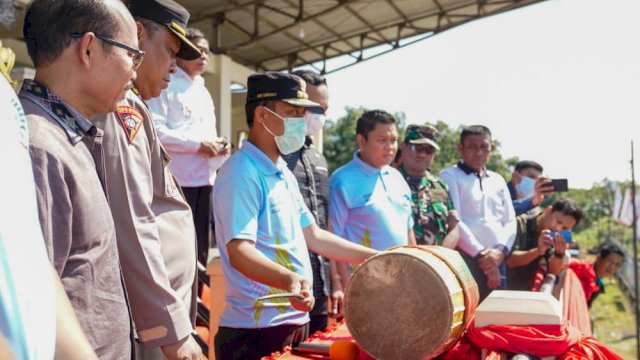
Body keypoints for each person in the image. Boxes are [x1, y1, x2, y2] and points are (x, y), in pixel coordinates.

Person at [212, 71, 377, 359]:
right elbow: (239, 251)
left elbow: (314, 236)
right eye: (292, 113)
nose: (302, 123)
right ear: (263, 116)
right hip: (255, 330)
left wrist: (375, 257)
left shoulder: (282, 173)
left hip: (292, 319)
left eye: (303, 114)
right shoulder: (241, 172)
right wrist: (288, 280)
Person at [19, 0, 138, 357]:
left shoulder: (62, 136)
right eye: (132, 54)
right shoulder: (39, 148)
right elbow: (32, 306)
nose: (134, 70)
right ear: (88, 48)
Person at [90, 0, 204, 358]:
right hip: (147, 325)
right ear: (137, 35)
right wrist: (171, 333)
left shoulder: (134, 107)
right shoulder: (122, 110)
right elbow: (132, 223)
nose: (174, 66)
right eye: (169, 51)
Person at [0, 45, 96, 360]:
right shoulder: (41, 136)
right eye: (131, 54)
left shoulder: (6, 99)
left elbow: (29, 251)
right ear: (89, 49)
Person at [148, 27, 229, 266]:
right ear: (181, 52)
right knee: (176, 249)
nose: (204, 56)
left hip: (205, 179)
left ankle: (197, 300)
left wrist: (218, 147)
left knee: (201, 247)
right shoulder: (167, 84)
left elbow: (208, 134)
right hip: (178, 181)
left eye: (207, 52)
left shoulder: (203, 91)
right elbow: (156, 131)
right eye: (197, 50)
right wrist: (197, 145)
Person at [329, 110, 415, 289]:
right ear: (361, 141)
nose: (390, 147)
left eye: (393, 140)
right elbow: (332, 238)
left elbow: (409, 233)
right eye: (382, 140)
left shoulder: (397, 178)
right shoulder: (342, 180)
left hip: (402, 282)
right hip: (364, 285)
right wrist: (340, 285)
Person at [280, 69, 333, 333]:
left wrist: (335, 280)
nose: (320, 115)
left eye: (324, 109)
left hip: (321, 284)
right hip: (288, 286)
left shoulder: (318, 159)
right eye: (314, 107)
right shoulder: (276, 158)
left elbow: (325, 223)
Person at [439, 125, 517, 301]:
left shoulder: (497, 179)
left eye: (484, 147)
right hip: (467, 260)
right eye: (472, 146)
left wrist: (501, 252)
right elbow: (456, 221)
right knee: (468, 318)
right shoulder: (450, 176)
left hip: (498, 260)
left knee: (498, 318)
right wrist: (483, 257)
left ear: (491, 148)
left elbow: (510, 220)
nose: (478, 152)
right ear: (461, 148)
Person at [398, 124, 461, 248]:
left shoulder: (440, 186)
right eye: (418, 148)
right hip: (397, 261)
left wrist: (438, 256)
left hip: (433, 263)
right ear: (403, 147)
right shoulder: (388, 181)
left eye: (429, 150)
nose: (423, 155)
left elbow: (455, 227)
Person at [506, 198, 584, 290]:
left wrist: (559, 253)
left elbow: (552, 272)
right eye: (558, 222)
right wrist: (538, 251)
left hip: (524, 292)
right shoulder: (519, 223)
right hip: (501, 290)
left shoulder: (552, 236)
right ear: (548, 211)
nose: (558, 229)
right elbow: (510, 261)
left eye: (564, 228)